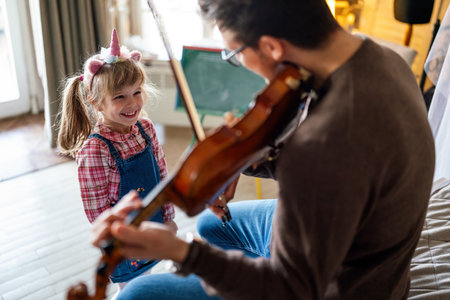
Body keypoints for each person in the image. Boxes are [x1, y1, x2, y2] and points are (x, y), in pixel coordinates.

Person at [90, 0, 435, 299]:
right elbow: (346, 167)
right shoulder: (383, 58)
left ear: (271, 47)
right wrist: (240, 159)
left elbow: (293, 290)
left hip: (345, 287)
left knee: (138, 293)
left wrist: (182, 252)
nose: (242, 63)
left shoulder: (322, 145)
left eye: (236, 53)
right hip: (372, 251)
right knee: (214, 225)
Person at [57, 28, 177, 289]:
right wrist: (121, 239)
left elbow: (162, 177)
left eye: (136, 92)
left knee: (155, 282)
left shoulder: (146, 129)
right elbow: (97, 212)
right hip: (124, 240)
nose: (132, 103)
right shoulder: (96, 150)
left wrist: (168, 217)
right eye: (120, 96)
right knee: (134, 291)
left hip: (155, 223)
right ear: (96, 102)